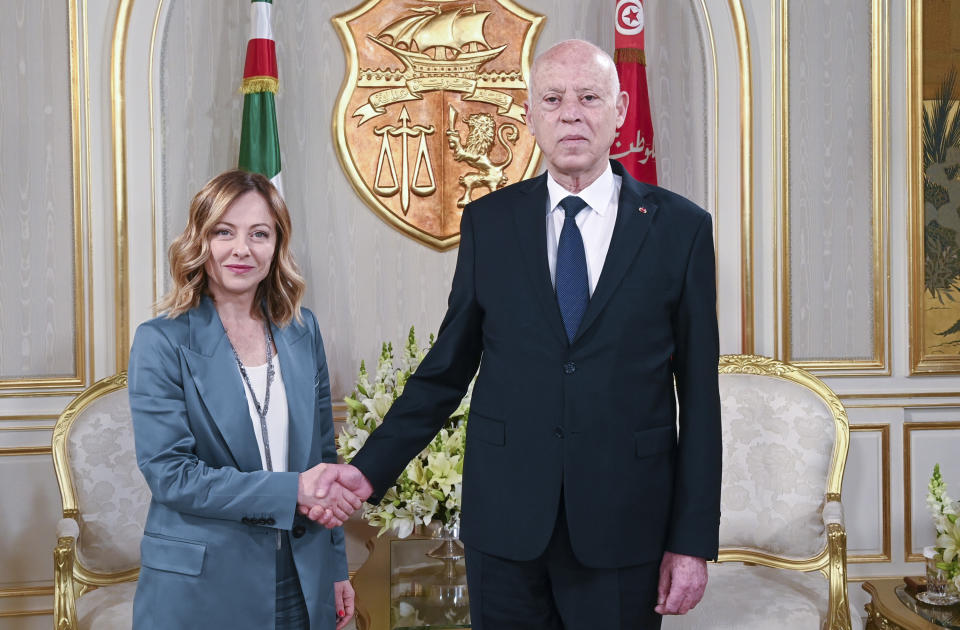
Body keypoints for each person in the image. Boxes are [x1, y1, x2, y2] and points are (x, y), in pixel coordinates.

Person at [313, 39, 722, 629]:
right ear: (529, 114)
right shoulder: (490, 223)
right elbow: (446, 369)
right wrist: (368, 469)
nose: (571, 113)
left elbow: (700, 399)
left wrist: (690, 541)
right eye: (553, 99)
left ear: (620, 108)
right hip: (505, 530)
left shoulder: (680, 228)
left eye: (589, 97)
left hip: (625, 527)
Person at [128, 169, 360, 630]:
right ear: (200, 241)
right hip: (204, 585)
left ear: (276, 247)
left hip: (302, 575)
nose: (241, 249)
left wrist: (335, 568)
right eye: (223, 232)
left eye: (259, 234)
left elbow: (323, 457)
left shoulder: (301, 330)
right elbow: (172, 476)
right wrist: (291, 490)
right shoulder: (160, 341)